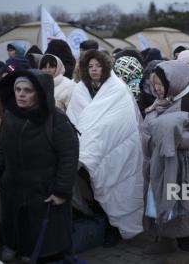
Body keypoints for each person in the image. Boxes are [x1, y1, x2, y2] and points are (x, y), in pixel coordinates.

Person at [0, 69, 79, 263]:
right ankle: (14, 245)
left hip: (43, 188)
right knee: (15, 222)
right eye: (18, 89)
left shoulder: (56, 119)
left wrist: (61, 190)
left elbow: (69, 156)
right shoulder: (10, 114)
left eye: (27, 90)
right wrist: (0, 169)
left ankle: (36, 253)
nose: (21, 94)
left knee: (40, 233)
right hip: (13, 185)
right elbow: (1, 144)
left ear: (39, 92)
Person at [66, 49, 144, 244]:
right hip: (87, 151)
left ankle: (115, 228)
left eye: (98, 66)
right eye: (90, 66)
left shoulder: (118, 89)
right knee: (94, 190)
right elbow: (74, 120)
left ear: (106, 67)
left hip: (117, 148)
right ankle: (103, 224)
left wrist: (100, 134)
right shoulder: (79, 90)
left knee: (118, 187)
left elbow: (124, 121)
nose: (94, 69)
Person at [142, 60, 189, 264]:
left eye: (160, 84)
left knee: (183, 205)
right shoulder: (162, 101)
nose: (156, 88)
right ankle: (165, 239)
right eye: (154, 84)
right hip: (160, 165)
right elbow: (150, 129)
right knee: (159, 202)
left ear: (174, 82)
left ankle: (186, 249)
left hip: (185, 166)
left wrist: (176, 140)